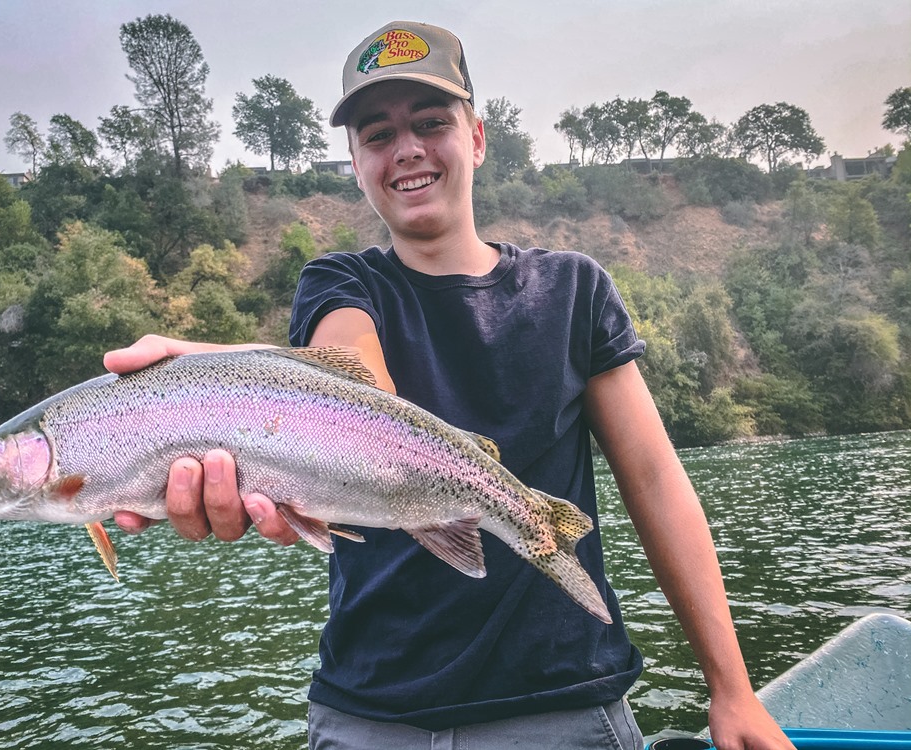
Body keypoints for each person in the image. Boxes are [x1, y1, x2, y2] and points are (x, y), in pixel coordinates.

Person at [105, 21, 794, 750]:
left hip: (562, 708)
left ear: (477, 138)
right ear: (356, 162)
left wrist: (733, 690)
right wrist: (205, 381)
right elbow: (358, 400)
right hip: (369, 717)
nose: (405, 148)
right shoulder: (340, 282)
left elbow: (656, 481)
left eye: (431, 122)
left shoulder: (573, 289)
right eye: (377, 135)